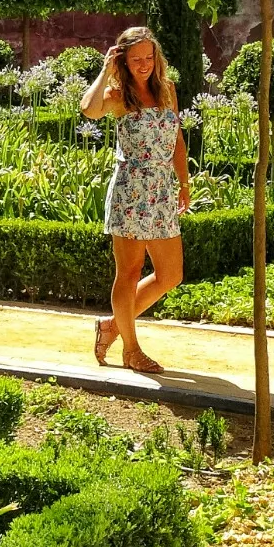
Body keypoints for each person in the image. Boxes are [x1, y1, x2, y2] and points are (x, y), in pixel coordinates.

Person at [80, 25, 190, 374]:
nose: (143, 64)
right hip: (130, 189)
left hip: (160, 191)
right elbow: (88, 110)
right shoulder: (116, 96)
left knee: (170, 274)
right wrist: (104, 70)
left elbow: (177, 140)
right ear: (123, 61)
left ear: (156, 57)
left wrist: (183, 182)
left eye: (148, 57)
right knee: (128, 272)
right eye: (135, 59)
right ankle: (131, 349)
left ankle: (112, 325)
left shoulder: (168, 90)